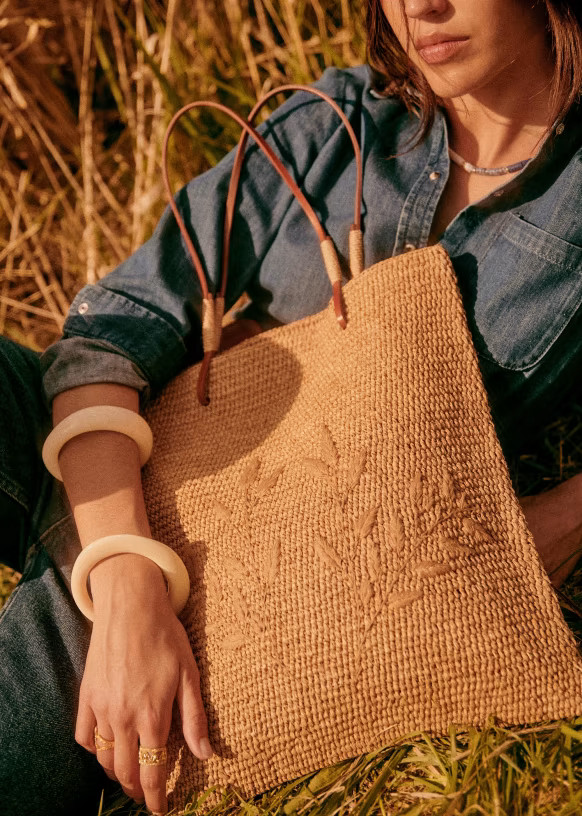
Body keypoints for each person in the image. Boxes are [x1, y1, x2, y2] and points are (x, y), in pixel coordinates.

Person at [1, 1, 581, 814]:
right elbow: (115, 328)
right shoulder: (335, 122)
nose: (421, 6)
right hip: (116, 466)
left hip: (254, 565)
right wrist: (128, 575)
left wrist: (546, 526)